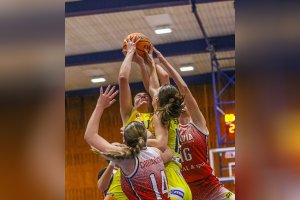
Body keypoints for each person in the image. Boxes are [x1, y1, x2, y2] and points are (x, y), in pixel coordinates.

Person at [153, 48, 235, 200]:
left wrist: (164, 62)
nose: (184, 105)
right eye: (180, 103)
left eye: (185, 102)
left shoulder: (198, 124)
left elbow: (184, 89)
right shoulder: (172, 127)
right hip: (185, 189)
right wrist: (150, 63)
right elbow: (164, 84)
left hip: (211, 187)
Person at [84, 85, 171, 200]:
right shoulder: (156, 152)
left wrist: (100, 106)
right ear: (144, 137)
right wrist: (148, 136)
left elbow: (90, 136)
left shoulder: (127, 159)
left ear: (125, 141)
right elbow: (168, 151)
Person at [143, 49, 192, 200]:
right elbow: (161, 78)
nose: (152, 92)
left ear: (157, 100)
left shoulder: (159, 116)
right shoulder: (170, 114)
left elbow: (160, 142)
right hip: (179, 181)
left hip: (170, 177)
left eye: (155, 94)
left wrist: (138, 142)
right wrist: (151, 64)